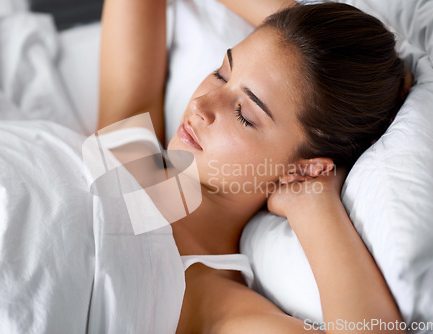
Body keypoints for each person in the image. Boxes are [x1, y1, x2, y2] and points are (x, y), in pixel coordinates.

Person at [97, 0, 412, 332]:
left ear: (305, 168)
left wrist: (313, 207)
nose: (200, 105)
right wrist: (293, 27)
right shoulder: (129, 160)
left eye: (244, 114)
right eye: (221, 73)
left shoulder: (202, 296)